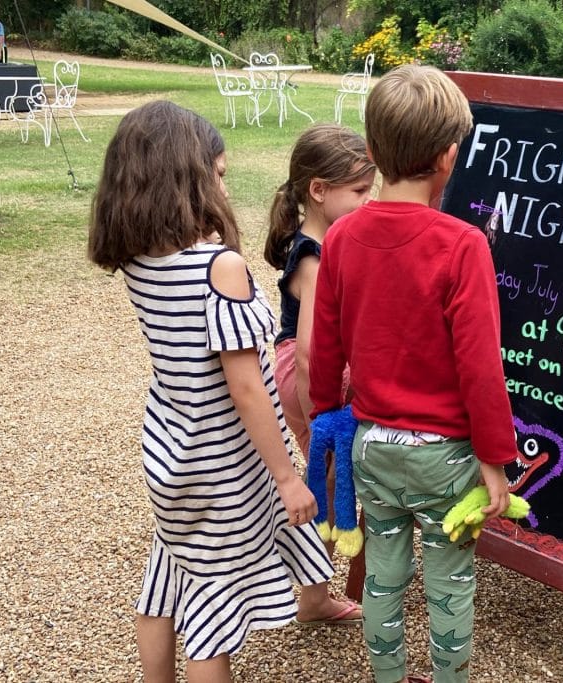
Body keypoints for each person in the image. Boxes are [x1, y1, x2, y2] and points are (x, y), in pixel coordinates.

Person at [87, 100, 341, 682]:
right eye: (219, 174)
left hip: (170, 446)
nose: (225, 187)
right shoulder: (217, 267)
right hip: (223, 458)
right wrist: (286, 476)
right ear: (188, 179)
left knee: (171, 570)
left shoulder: (138, 257)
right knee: (213, 604)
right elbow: (247, 389)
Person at [308, 64, 517, 683]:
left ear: (372, 153)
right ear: (450, 157)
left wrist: (327, 419)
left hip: (373, 446)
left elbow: (327, 344)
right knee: (450, 583)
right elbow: (481, 365)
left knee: (383, 576)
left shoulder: (342, 239)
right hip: (444, 457)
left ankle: (388, 677)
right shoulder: (462, 245)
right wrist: (495, 457)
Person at [263, 123, 376, 573]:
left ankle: (313, 586)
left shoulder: (328, 242)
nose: (369, 199)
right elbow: (310, 348)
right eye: (359, 190)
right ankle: (308, 584)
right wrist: (321, 412)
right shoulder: (312, 256)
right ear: (318, 190)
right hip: (308, 373)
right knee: (328, 477)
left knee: (330, 478)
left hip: (315, 371)